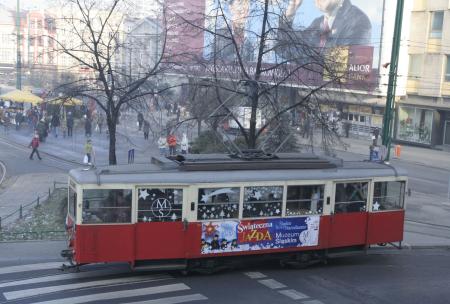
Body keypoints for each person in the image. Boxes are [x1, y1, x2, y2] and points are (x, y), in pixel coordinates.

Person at [277, 0, 372, 58]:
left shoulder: (359, 21)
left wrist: (305, 58)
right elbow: (283, 49)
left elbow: (340, 65)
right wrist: (290, 14)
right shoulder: (317, 24)